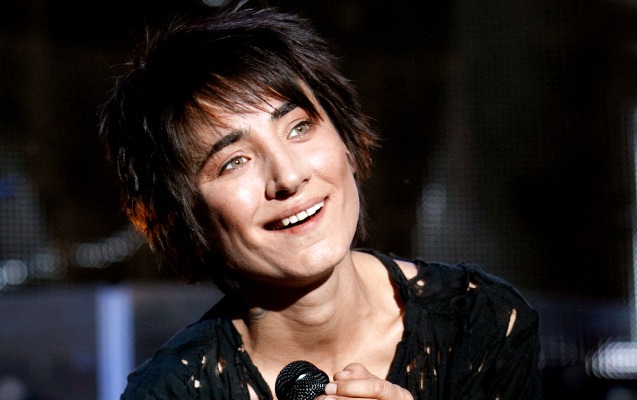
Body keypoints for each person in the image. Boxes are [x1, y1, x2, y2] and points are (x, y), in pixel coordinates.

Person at [99, 3, 543, 400]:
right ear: (181, 217)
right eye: (234, 162)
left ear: (346, 139)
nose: (289, 177)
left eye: (298, 128)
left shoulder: (478, 323)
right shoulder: (170, 392)